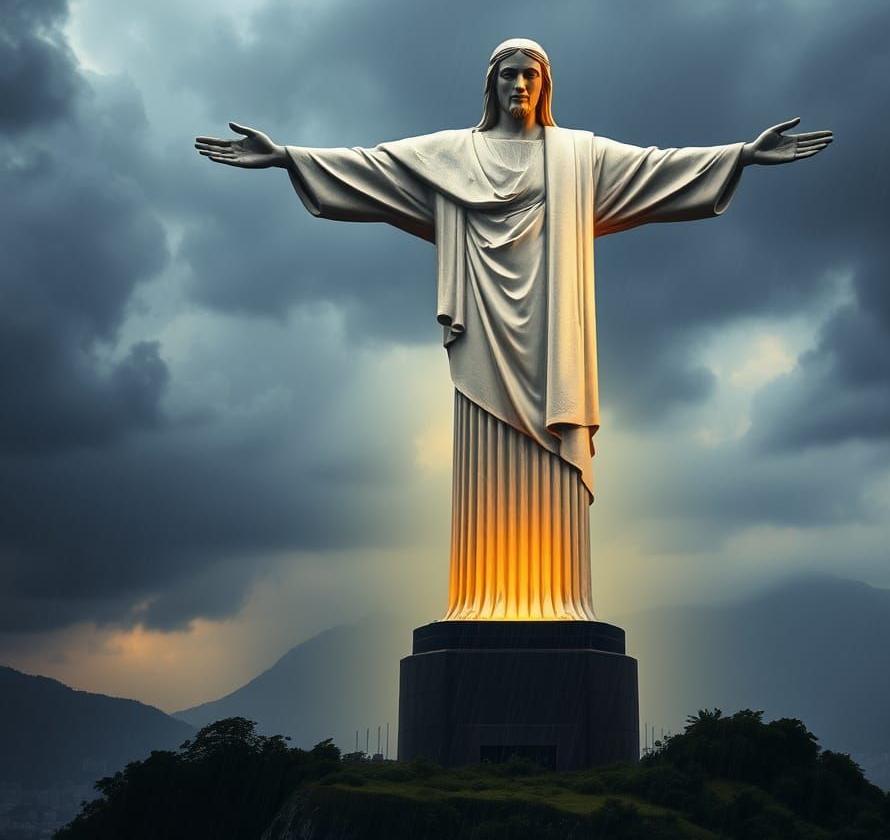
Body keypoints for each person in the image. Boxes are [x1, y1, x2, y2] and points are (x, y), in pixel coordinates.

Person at [195, 38, 831, 622]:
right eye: (508, 75)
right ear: (491, 86)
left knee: (552, 465)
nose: (519, 84)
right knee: (484, 462)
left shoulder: (579, 157)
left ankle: (558, 600)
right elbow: (373, 169)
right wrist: (286, 157)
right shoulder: (450, 156)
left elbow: (656, 169)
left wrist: (743, 155)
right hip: (482, 330)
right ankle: (481, 601)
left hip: (557, 342)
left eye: (530, 74)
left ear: (544, 84)